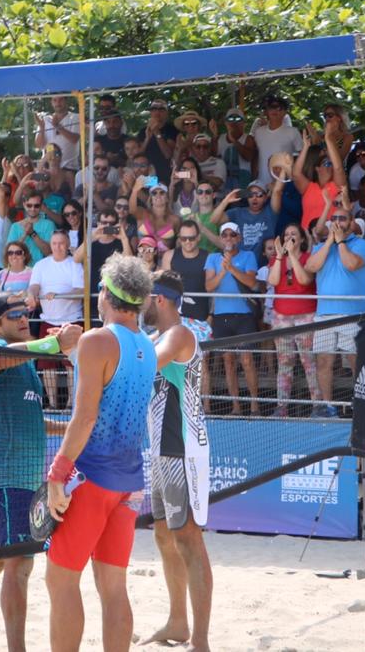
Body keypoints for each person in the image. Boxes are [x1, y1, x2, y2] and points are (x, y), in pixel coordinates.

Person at [0, 296, 81, 652]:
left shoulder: (26, 363)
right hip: (5, 473)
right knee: (19, 564)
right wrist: (55, 343)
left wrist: (71, 428)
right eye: (15, 315)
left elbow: (30, 418)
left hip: (20, 475)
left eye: (27, 313)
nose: (25, 318)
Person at [44, 255, 155, 652]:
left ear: (106, 293)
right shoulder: (147, 346)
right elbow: (114, 385)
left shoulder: (97, 341)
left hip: (91, 479)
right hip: (129, 482)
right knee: (113, 588)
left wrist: (58, 471)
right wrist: (78, 353)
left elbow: (86, 417)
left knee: (61, 579)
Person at [142, 271, 213, 652]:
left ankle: (199, 641)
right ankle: (177, 621)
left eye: (142, 298)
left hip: (181, 449)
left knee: (188, 541)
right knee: (163, 536)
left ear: (160, 299)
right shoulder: (156, 338)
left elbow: (142, 368)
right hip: (159, 449)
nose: (138, 305)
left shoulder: (180, 335)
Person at [303, 203, 365, 417]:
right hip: (324, 314)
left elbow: (352, 264)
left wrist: (340, 241)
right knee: (323, 361)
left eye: (342, 219)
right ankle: (328, 405)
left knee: (354, 362)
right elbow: (311, 267)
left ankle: (361, 404)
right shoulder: (320, 246)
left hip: (353, 314)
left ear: (351, 223)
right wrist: (330, 241)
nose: (338, 222)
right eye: (335, 219)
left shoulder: (361, 244)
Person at [204, 222, 261, 415]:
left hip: (243, 315)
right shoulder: (212, 258)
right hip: (221, 316)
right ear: (221, 239)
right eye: (225, 235)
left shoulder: (249, 256)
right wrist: (223, 270)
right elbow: (209, 286)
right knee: (228, 361)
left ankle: (255, 407)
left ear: (239, 238)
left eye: (232, 235)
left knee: (247, 360)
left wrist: (231, 268)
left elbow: (252, 282)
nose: (229, 238)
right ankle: (236, 407)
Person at [28, 231, 85, 408]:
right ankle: (52, 404)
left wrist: (59, 295)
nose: (57, 247)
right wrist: (32, 295)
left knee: (72, 364)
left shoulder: (75, 265)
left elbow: (79, 292)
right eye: (54, 243)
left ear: (67, 245)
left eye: (61, 243)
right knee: (47, 365)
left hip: (72, 320)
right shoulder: (41, 265)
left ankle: (70, 404)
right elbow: (34, 286)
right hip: (48, 320)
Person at [268, 226, 319, 415]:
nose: (289, 237)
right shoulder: (276, 260)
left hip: (305, 315)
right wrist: (281, 257)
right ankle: (282, 406)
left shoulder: (307, 258)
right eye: (286, 234)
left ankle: (317, 405)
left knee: (309, 362)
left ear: (301, 239)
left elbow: (304, 280)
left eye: (293, 234)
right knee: (284, 363)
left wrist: (292, 256)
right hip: (281, 316)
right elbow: (273, 281)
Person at [75, 209, 133, 321]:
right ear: (98, 224)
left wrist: (124, 238)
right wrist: (92, 237)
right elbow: (76, 258)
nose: (107, 226)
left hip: (116, 297)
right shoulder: (91, 242)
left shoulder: (121, 242)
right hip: (92, 296)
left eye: (111, 224)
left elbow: (129, 263)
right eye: (104, 223)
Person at [294, 122, 347, 234]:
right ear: (317, 168)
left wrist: (328, 139)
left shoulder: (335, 185)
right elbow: (296, 173)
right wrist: (305, 147)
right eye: (326, 164)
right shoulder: (308, 187)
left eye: (330, 163)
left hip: (331, 236)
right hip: (309, 239)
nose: (330, 166)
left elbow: (338, 168)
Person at [161, 220, 210, 324]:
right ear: (179, 239)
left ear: (198, 237)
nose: (187, 241)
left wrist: (211, 316)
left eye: (191, 238)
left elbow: (215, 289)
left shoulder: (208, 257)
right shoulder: (169, 256)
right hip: (175, 319)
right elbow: (164, 289)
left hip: (202, 318)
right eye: (184, 238)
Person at [252, 94, 303, 185]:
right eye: (272, 107)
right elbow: (255, 156)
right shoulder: (258, 132)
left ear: (285, 112)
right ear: (266, 111)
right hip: (261, 184)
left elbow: (302, 156)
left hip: (284, 182)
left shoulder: (293, 132)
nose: (275, 110)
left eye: (280, 108)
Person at [130, 175, 179, 253]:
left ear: (167, 198)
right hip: (143, 260)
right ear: (151, 198)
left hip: (164, 260)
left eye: (162, 192)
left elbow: (179, 241)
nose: (158, 195)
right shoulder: (143, 213)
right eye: (154, 193)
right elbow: (132, 210)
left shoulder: (175, 220)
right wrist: (135, 190)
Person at [137, 99, 180, 183]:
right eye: (154, 109)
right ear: (151, 112)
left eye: (161, 109)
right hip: (148, 175)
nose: (157, 112)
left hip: (167, 175)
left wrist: (157, 132)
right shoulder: (143, 131)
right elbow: (138, 155)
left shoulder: (172, 130)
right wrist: (147, 139)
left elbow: (168, 154)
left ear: (166, 113)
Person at [5, 192, 55, 263]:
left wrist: (33, 233)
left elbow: (49, 252)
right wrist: (24, 235)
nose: (33, 208)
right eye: (29, 205)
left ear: (41, 206)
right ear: (24, 205)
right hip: (20, 269)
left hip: (41, 269)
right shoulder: (15, 226)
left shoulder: (49, 225)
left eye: (36, 206)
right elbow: (9, 253)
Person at [216, 107, 255, 191]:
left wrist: (234, 141)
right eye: (230, 119)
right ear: (225, 123)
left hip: (243, 183)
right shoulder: (219, 139)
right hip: (224, 184)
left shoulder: (248, 139)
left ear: (243, 123)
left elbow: (248, 157)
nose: (234, 122)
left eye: (238, 119)